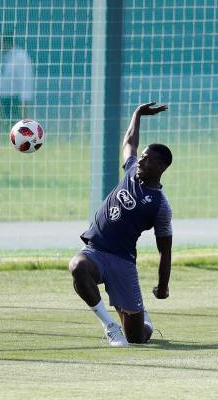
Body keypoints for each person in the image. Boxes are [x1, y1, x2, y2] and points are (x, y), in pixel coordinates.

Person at [69, 102, 173, 347]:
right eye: (142, 157)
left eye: (147, 160)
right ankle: (109, 326)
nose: (140, 161)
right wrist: (137, 114)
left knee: (137, 338)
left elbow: (165, 249)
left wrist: (163, 285)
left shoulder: (160, 206)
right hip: (95, 250)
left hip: (123, 262)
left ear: (160, 167)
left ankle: (142, 320)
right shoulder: (131, 171)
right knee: (77, 267)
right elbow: (130, 143)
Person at [0, 34, 34, 122]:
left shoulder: (20, 57)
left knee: (17, 128)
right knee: (6, 126)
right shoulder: (6, 57)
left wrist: (24, 102)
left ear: (7, 43)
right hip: (4, 100)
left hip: (15, 100)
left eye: (0, 43)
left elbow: (26, 80)